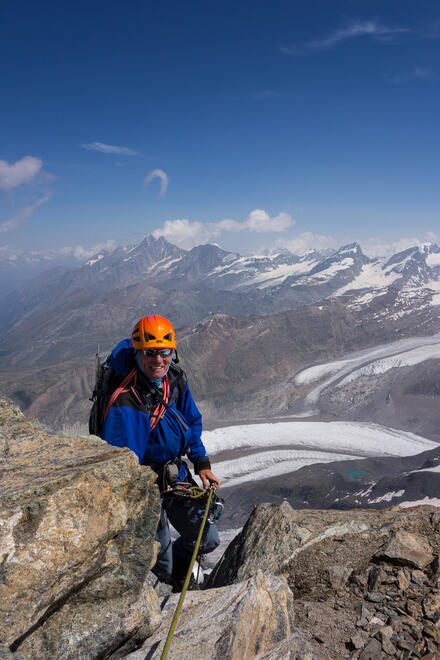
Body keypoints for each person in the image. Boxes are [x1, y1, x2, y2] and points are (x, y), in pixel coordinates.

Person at [101, 314, 221, 587]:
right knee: (160, 560)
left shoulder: (174, 380)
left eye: (164, 353)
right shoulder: (127, 401)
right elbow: (126, 465)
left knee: (207, 537)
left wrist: (201, 462)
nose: (158, 361)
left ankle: (178, 575)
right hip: (145, 486)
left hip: (173, 474)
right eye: (150, 353)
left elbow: (190, 421)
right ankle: (170, 581)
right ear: (138, 353)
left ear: (172, 352)